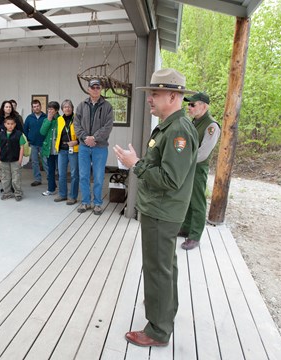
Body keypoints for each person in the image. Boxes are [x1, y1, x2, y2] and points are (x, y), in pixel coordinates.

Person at [114, 68, 198, 347]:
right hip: (160, 210)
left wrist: (135, 165)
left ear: (173, 96)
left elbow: (170, 179)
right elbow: (161, 166)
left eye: (156, 93)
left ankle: (158, 331)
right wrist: (139, 161)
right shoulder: (168, 126)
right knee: (164, 266)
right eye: (150, 93)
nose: (150, 98)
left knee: (157, 269)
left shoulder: (178, 131)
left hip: (162, 212)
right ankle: (165, 311)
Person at [180, 92, 221, 250]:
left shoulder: (211, 126)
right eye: (188, 104)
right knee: (187, 199)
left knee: (197, 201)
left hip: (197, 168)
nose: (188, 107)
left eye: (192, 104)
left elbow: (203, 153)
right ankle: (186, 228)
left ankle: (195, 235)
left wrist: (182, 160)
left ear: (204, 106)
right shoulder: (194, 122)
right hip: (188, 167)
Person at [74, 78, 114, 215]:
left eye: (98, 87)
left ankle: (97, 204)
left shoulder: (107, 107)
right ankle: (85, 202)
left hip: (100, 147)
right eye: (93, 87)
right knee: (83, 175)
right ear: (88, 89)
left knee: (98, 176)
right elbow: (76, 124)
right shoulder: (81, 106)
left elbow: (108, 126)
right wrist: (85, 137)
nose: (96, 89)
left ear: (100, 89)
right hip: (84, 146)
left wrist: (94, 138)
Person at [52, 99, 79, 205]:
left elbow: (82, 132)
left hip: (74, 149)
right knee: (61, 173)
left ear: (72, 108)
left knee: (74, 174)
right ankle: (63, 194)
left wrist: (76, 142)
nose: (67, 108)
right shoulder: (59, 119)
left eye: (69, 106)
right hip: (62, 149)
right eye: (65, 107)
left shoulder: (77, 118)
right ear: (62, 109)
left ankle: (73, 196)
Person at [0, 116, 25, 201]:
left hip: (15, 160)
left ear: (15, 124)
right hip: (4, 160)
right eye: (8, 124)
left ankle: (18, 193)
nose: (10, 126)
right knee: (5, 178)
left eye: (12, 124)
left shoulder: (19, 134)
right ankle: (7, 193)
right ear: (5, 124)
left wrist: (20, 160)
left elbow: (21, 147)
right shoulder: (1, 135)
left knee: (16, 178)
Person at [23, 99, 48, 186]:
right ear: (32, 108)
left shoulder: (46, 117)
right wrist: (29, 138)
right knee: (34, 162)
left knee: (45, 162)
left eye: (37, 106)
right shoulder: (29, 118)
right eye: (34, 107)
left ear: (40, 106)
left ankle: (50, 179)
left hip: (44, 144)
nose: (36, 108)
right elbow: (25, 129)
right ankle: (37, 179)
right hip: (33, 144)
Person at [40, 101, 60, 196]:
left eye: (51, 109)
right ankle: (51, 189)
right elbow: (42, 132)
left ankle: (62, 190)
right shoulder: (45, 120)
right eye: (48, 109)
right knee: (50, 170)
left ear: (56, 110)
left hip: (60, 150)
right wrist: (48, 120)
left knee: (61, 170)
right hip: (49, 150)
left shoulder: (60, 120)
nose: (49, 111)